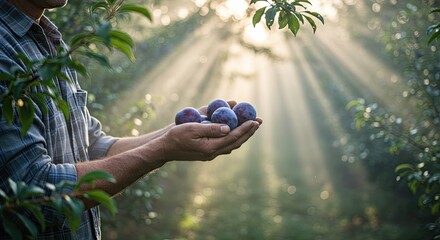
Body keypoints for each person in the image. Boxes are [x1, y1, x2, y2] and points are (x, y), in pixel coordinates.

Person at [0, 0, 262, 239]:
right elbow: (34, 193)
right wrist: (163, 149)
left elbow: (93, 147)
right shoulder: (4, 50)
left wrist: (172, 134)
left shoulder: (48, 39)